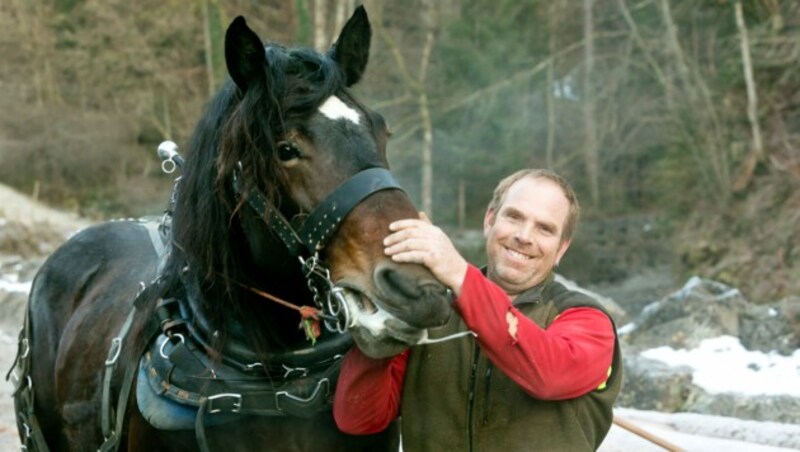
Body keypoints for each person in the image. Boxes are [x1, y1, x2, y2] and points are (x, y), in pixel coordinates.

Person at [333, 169, 623, 451]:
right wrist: (376, 326)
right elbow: (360, 419)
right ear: (489, 220)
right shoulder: (430, 314)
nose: (524, 236)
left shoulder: (587, 320)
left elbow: (549, 375)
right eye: (514, 217)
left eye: (544, 229)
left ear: (561, 249)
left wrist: (459, 273)